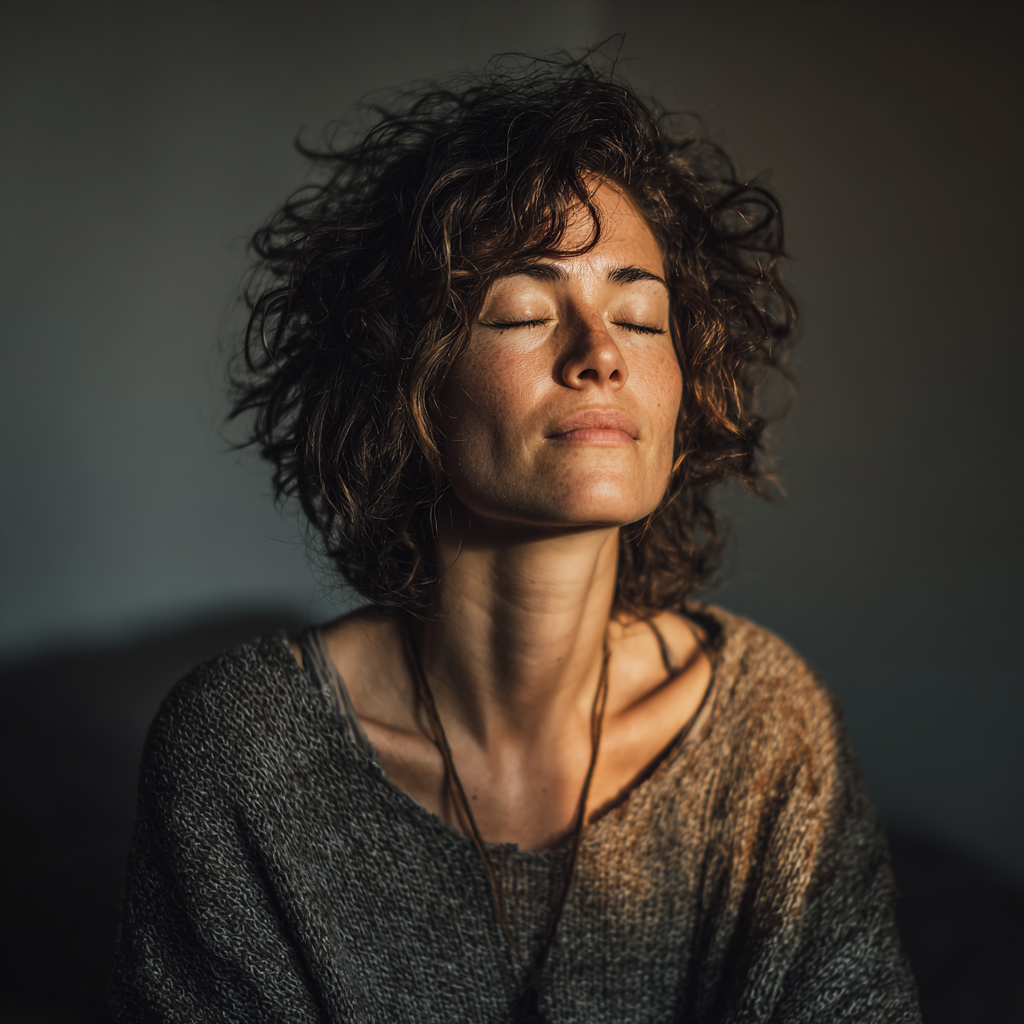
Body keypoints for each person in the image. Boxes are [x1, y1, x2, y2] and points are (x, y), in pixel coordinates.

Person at [111, 54, 921, 1022]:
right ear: (409, 382)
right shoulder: (239, 757)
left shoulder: (772, 740)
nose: (600, 354)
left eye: (639, 314)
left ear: (683, 391)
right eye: (526, 311)